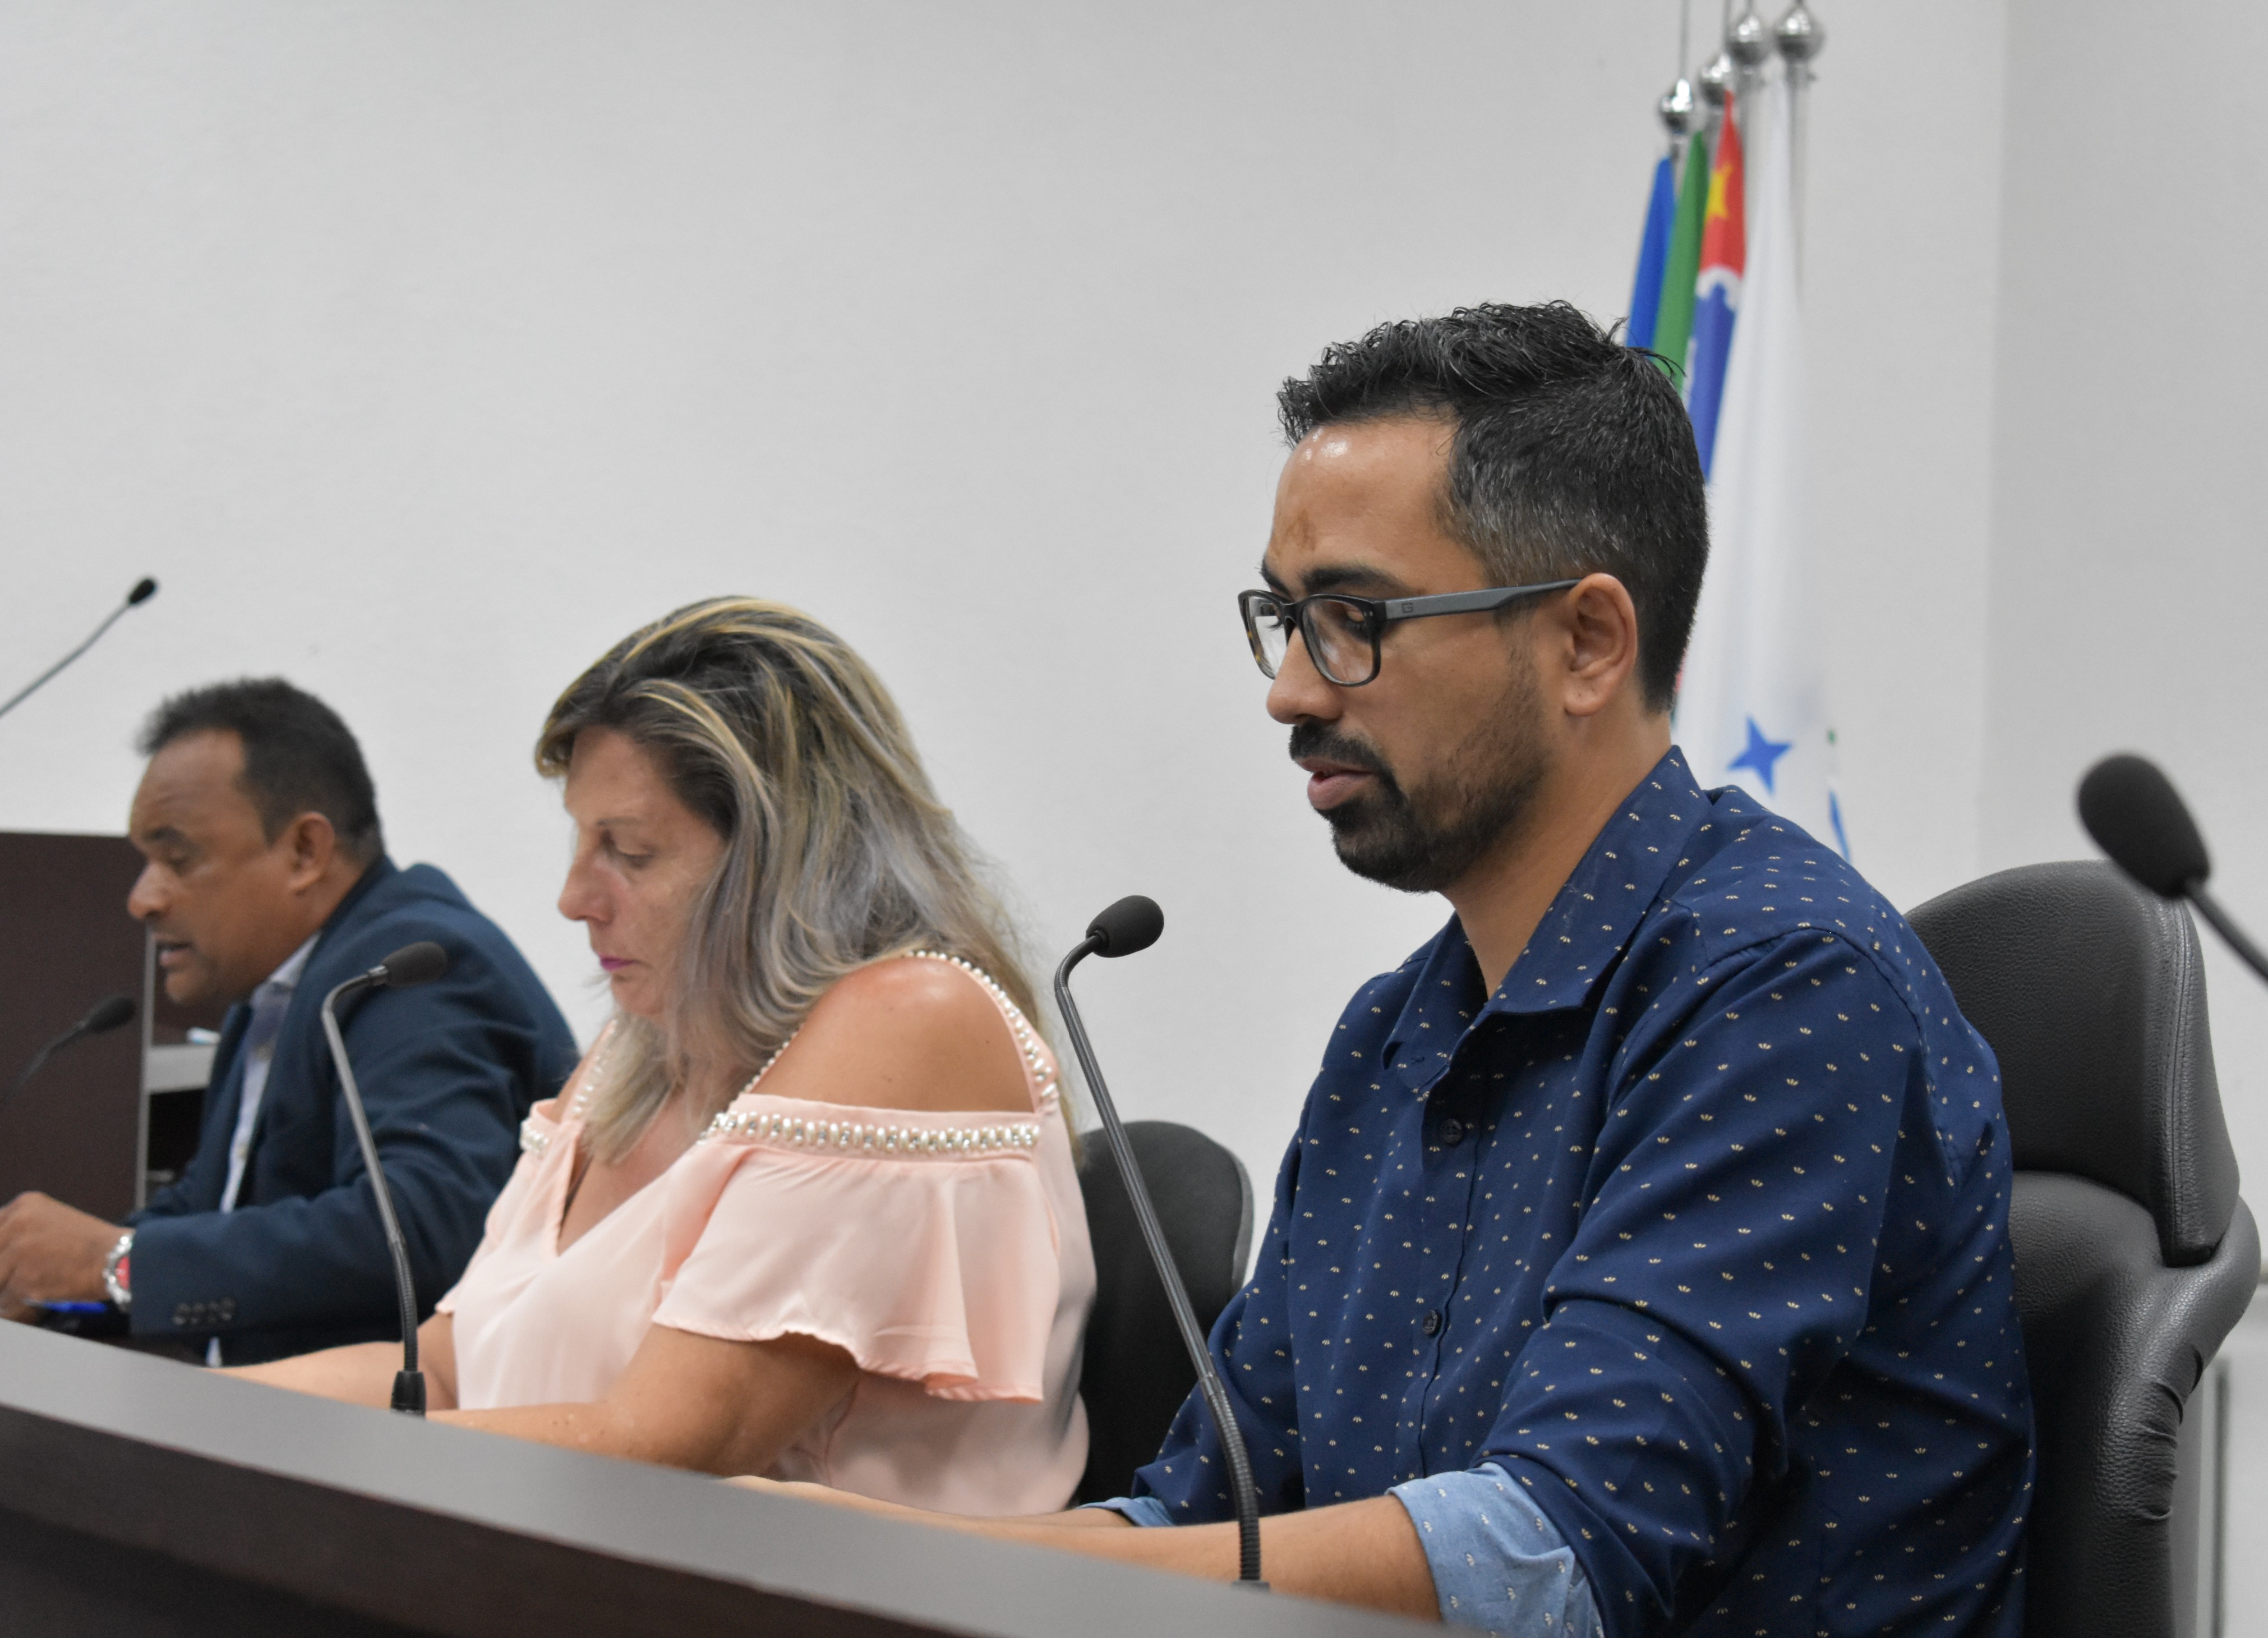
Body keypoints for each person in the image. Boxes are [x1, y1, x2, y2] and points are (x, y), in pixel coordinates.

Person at [758, 305, 2036, 1635]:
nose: (1291, 691)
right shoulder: (1392, 1035)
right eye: (1283, 617)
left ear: (1587, 643)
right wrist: (853, 1566)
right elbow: (1207, 1514)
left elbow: (1557, 1554)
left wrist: (942, 1573)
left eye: (1354, 618)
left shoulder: (1779, 983)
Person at [229, 599, 1095, 1513]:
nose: (574, 897)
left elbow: (677, 1444)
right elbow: (446, 1374)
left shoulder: (913, 1018)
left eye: (629, 852)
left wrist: (290, 1456)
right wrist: (191, 1415)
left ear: (782, 861)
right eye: (581, 840)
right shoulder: (641, 1049)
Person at [0, 679, 580, 1366]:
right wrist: (57, 1284)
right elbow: (213, 1207)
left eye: (178, 858)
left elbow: (418, 1223)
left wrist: (118, 1262)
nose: (143, 898)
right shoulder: (277, 991)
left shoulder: (409, 969)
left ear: (304, 852)